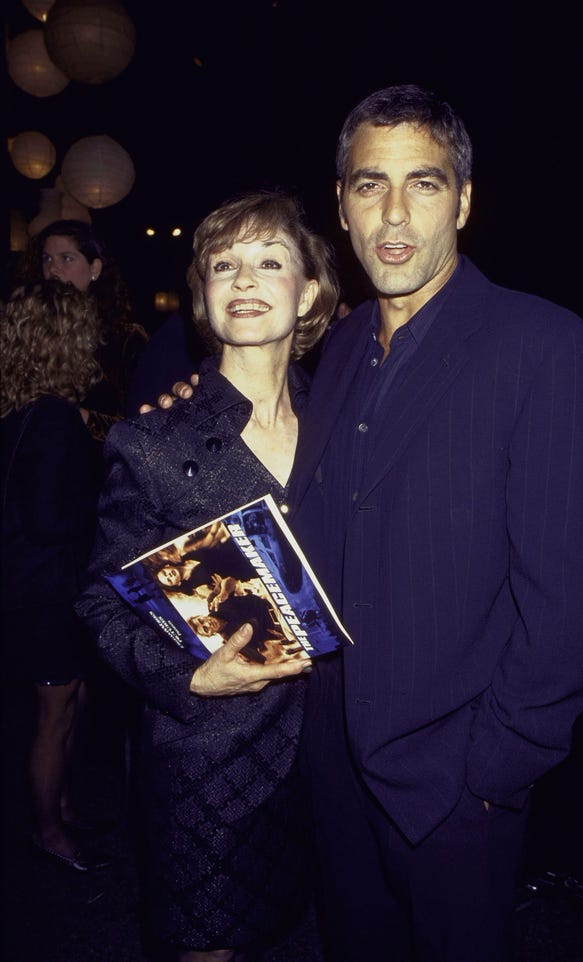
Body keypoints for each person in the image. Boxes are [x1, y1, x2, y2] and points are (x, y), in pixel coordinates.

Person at [160, 85, 583, 962]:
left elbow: (568, 606)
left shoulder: (548, 349)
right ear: (342, 205)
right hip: (331, 774)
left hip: (455, 790)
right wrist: (193, 409)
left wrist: (492, 774)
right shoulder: (337, 351)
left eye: (426, 182)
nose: (396, 213)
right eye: (371, 185)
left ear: (465, 200)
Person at [75, 191, 339, 962]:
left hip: (332, 750)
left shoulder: (348, 425)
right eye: (224, 265)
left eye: (270, 261)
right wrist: (187, 678)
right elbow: (98, 600)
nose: (245, 279)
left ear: (309, 293)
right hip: (211, 758)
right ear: (204, 296)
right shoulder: (153, 440)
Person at [0, 280, 106, 872]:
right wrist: (101, 506)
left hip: (27, 586)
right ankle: (48, 829)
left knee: (65, 703)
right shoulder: (55, 418)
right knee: (55, 712)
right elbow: (47, 520)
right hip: (44, 589)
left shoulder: (17, 412)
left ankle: (59, 807)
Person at [14, 219, 149, 443]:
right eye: (47, 259)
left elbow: (145, 427)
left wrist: (78, 417)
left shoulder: (125, 339)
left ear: (94, 269)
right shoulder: (30, 331)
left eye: (66, 258)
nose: (53, 269)